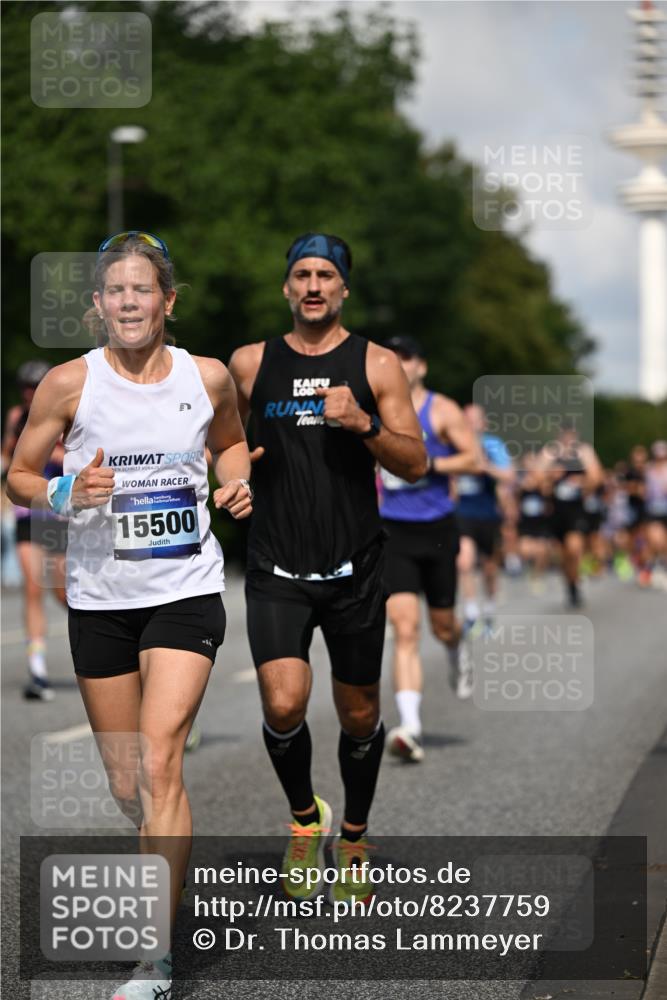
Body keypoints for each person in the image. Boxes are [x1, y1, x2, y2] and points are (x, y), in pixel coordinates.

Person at [7, 231, 252, 1000]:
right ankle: (162, 861)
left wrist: (235, 484)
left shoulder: (205, 377)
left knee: (157, 762)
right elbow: (16, 473)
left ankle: (156, 958)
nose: (129, 302)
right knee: (125, 782)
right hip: (101, 599)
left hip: (184, 588)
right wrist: (59, 492)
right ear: (98, 306)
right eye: (115, 292)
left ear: (166, 301)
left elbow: (233, 444)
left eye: (142, 290)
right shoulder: (68, 386)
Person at [228, 232, 426, 904]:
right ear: (286, 287)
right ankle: (305, 819)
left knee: (361, 717)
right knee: (283, 704)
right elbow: (216, 444)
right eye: (301, 275)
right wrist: (228, 476)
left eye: (325, 276)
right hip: (277, 560)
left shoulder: (376, 364)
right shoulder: (250, 364)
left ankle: (354, 835)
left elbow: (415, 462)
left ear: (344, 288)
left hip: (356, 566)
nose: (312, 286)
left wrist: (364, 424)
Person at [377, 336, 479, 763]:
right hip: (392, 529)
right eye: (393, 358)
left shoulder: (441, 409)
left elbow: (472, 458)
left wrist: (428, 463)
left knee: (441, 625)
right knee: (404, 627)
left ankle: (457, 648)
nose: (401, 365)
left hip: (436, 528)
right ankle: (410, 726)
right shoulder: (376, 409)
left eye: (409, 357)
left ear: (422, 365)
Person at [1, 360, 68, 700]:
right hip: (28, 514)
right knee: (31, 588)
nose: (29, 394)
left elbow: (71, 456)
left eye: (34, 387)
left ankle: (111, 640)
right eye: (24, 387)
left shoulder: (62, 412)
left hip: (58, 515)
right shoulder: (16, 417)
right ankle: (38, 671)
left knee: (63, 594)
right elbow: (8, 458)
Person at [455, 404, 515, 635]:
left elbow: (509, 475)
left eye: (474, 420)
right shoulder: (454, 443)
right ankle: (471, 612)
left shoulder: (493, 444)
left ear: (483, 423)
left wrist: (485, 467)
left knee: (490, 567)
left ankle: (489, 610)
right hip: (462, 513)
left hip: (488, 513)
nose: (470, 424)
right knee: (464, 560)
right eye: (466, 419)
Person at [538, 425, 604, 607]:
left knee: (574, 548)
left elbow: (597, 477)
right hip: (556, 510)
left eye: (570, 435)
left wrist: (582, 483)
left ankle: (576, 583)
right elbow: (536, 478)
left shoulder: (584, 452)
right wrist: (551, 477)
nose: (567, 438)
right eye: (564, 435)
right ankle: (571, 585)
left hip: (575, 509)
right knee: (563, 554)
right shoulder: (550, 452)